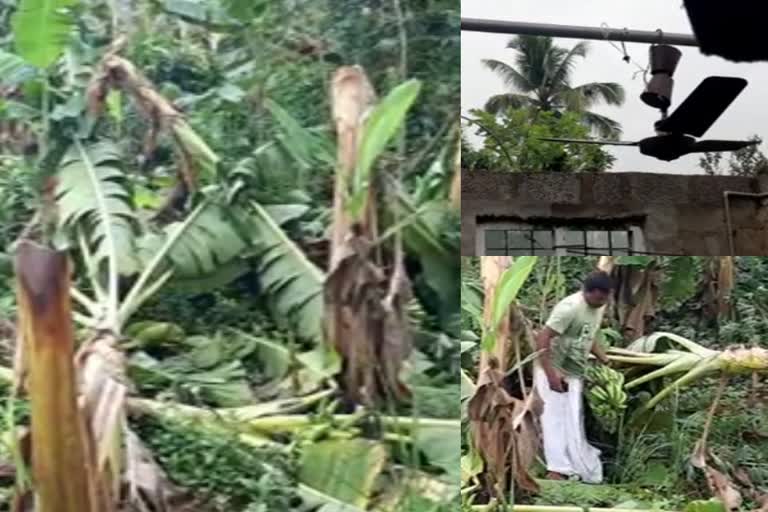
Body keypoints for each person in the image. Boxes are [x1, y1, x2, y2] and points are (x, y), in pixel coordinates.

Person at [533, 270, 614, 483]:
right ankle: (556, 470)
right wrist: (551, 375)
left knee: (572, 421)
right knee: (553, 420)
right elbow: (543, 338)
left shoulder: (598, 306)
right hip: (553, 368)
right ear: (587, 292)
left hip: (574, 372)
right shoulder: (569, 308)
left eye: (604, 299)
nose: (600, 303)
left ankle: (573, 466)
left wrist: (603, 359)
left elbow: (591, 333)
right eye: (597, 298)